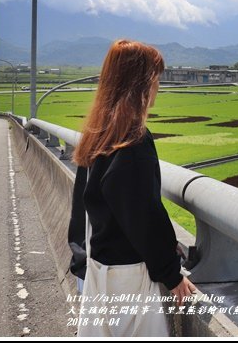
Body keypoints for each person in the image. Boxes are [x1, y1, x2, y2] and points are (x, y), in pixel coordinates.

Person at [68, 39, 196, 337]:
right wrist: (171, 274)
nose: (158, 87)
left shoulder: (98, 133)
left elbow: (81, 208)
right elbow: (143, 215)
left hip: (99, 268)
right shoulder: (133, 140)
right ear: (140, 83)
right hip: (127, 276)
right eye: (156, 78)